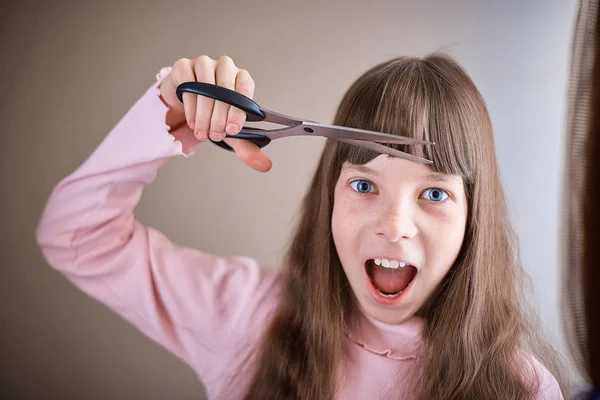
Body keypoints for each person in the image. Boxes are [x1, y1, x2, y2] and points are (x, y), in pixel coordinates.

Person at [36, 54, 567, 399]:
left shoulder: (523, 390)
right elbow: (74, 237)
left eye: (434, 193)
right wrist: (166, 116)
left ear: (475, 219)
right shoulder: (248, 315)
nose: (393, 226)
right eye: (364, 185)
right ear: (328, 198)